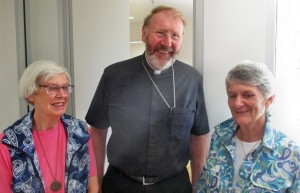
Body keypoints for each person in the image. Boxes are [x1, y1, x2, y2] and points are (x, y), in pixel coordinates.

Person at [85, 5, 210, 193]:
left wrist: (197, 187)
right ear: (144, 33)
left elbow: (198, 137)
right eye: (160, 33)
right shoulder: (114, 75)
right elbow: (97, 132)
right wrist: (96, 186)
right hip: (121, 184)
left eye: (175, 36)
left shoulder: (191, 79)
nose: (167, 43)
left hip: (174, 186)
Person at [195, 61, 300, 192]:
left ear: (269, 99)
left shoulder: (291, 154)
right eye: (232, 95)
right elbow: (203, 187)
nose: (237, 103)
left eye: (248, 95)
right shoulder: (219, 137)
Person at [0, 60, 99, 193]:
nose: (62, 95)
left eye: (65, 87)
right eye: (52, 88)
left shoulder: (80, 132)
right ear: (31, 94)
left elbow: (93, 186)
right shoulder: (9, 143)